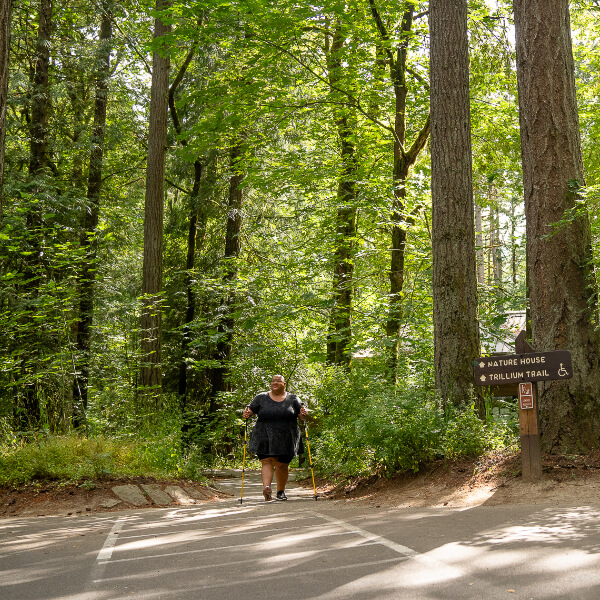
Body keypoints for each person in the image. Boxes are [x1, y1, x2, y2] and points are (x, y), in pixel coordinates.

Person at [243, 374, 308, 501]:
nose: (275, 382)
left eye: (279, 381)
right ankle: (267, 488)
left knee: (282, 464)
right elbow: (250, 411)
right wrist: (247, 413)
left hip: (287, 436)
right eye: (273, 381)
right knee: (266, 461)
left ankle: (280, 492)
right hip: (264, 434)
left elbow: (302, 418)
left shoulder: (293, 398)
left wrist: (304, 414)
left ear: (284, 384)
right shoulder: (261, 397)